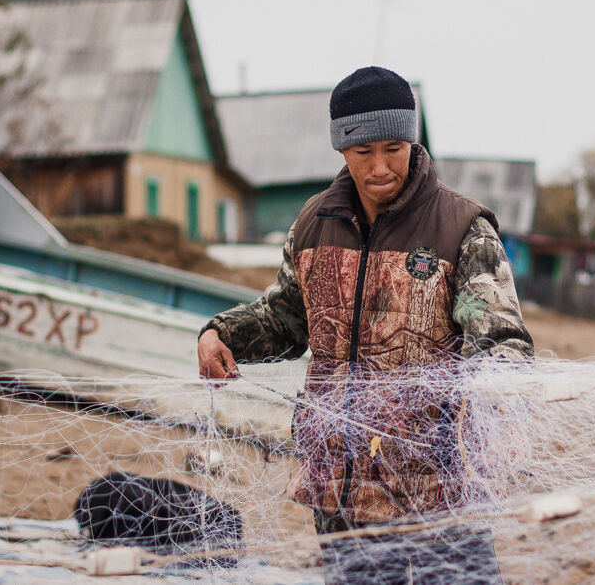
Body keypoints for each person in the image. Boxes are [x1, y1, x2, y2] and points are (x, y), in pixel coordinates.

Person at [198, 66, 533, 584]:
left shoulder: (463, 230)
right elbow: (286, 318)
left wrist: (498, 389)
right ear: (341, 151)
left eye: (393, 149)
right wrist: (222, 333)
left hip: (436, 491)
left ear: (413, 142)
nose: (379, 167)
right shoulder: (313, 225)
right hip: (340, 487)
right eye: (363, 152)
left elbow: (500, 339)